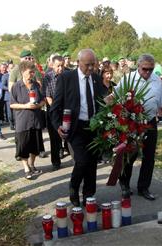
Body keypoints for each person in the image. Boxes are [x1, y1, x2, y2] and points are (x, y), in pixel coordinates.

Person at [113, 54, 162, 201]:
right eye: (144, 69)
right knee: (130, 155)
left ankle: (143, 187)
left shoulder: (157, 80)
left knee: (149, 157)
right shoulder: (129, 78)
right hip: (132, 123)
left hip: (150, 122)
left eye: (150, 69)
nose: (147, 72)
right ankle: (125, 184)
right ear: (138, 66)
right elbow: (114, 96)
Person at [50, 49, 104, 207]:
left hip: (93, 127)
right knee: (81, 161)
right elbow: (55, 106)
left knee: (92, 163)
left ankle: (89, 197)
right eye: (88, 65)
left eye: (93, 64)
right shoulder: (66, 78)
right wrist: (57, 125)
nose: (91, 68)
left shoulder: (95, 78)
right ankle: (74, 189)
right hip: (75, 127)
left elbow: (101, 100)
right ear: (78, 62)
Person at [10, 61, 45, 180]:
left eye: (33, 71)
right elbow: (12, 105)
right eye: (30, 72)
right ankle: (26, 168)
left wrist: (39, 105)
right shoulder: (16, 86)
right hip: (22, 121)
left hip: (36, 120)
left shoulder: (36, 85)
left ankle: (32, 165)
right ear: (22, 72)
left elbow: (43, 100)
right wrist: (26, 106)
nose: (32, 74)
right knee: (23, 146)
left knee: (35, 146)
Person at [43, 55, 65, 171]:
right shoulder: (48, 77)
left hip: (66, 111)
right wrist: (56, 109)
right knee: (54, 138)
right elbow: (47, 96)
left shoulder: (67, 75)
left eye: (62, 66)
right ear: (52, 65)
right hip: (53, 111)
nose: (60, 69)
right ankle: (56, 161)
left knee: (69, 134)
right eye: (58, 66)